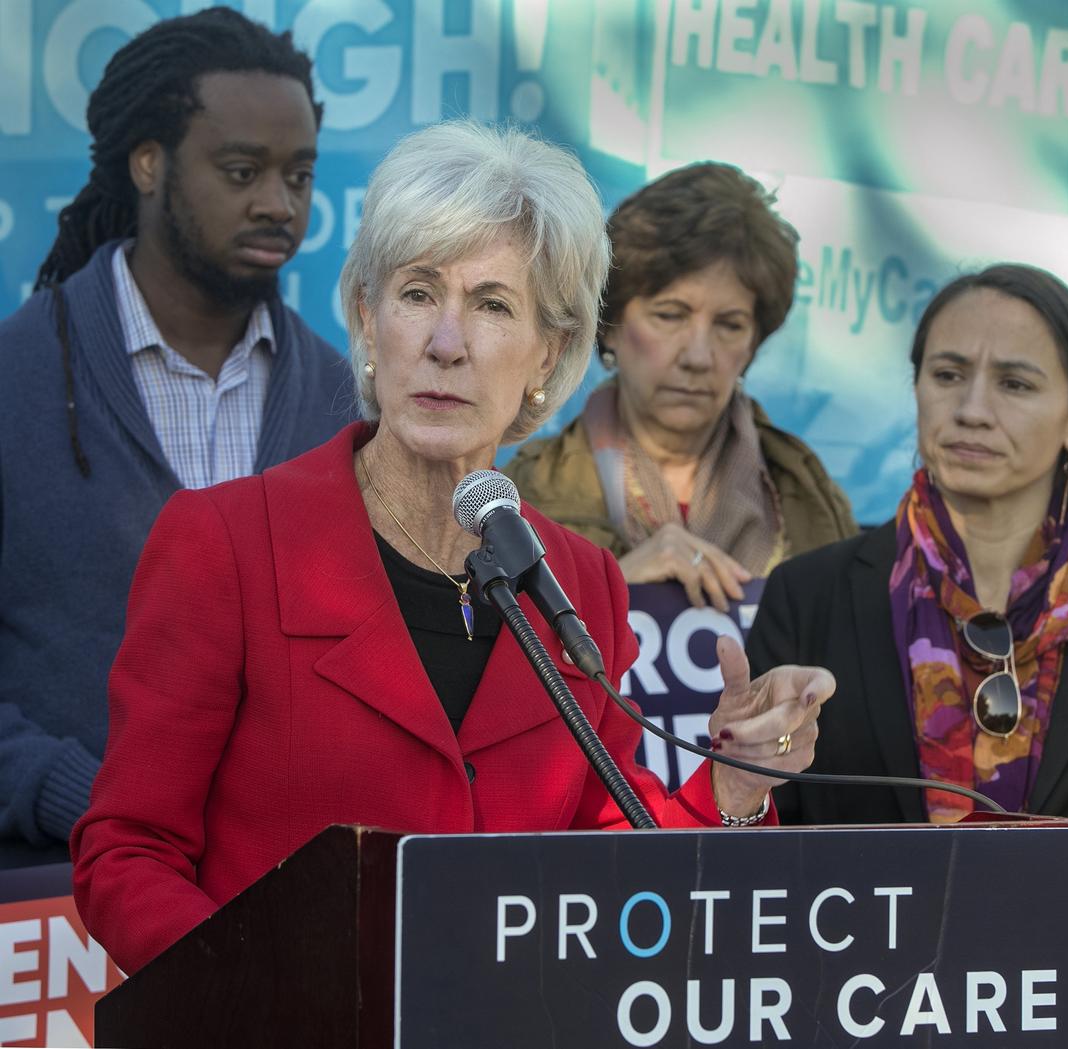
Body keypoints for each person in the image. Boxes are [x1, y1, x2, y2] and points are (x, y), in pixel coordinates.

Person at [70, 121, 835, 975]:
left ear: (548, 352)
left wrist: (730, 782)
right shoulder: (225, 544)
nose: (446, 341)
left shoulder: (580, 581)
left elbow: (611, 867)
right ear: (368, 317)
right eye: (418, 293)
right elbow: (127, 852)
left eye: (493, 304)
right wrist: (260, 1003)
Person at [0, 9, 354, 868]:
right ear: (149, 164)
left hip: (277, 898)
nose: (278, 203)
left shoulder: (336, 396)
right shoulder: (17, 377)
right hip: (53, 904)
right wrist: (84, 795)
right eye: (242, 171)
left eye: (299, 175)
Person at [747, 264, 1068, 826]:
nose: (971, 411)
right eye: (948, 375)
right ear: (917, 389)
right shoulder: (810, 595)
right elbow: (765, 848)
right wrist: (739, 781)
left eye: (1015, 384)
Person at [504, 162, 857, 612]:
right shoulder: (528, 491)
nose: (697, 356)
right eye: (669, 315)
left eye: (730, 325)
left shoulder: (811, 496)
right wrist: (614, 591)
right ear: (609, 326)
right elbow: (500, 663)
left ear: (753, 344)